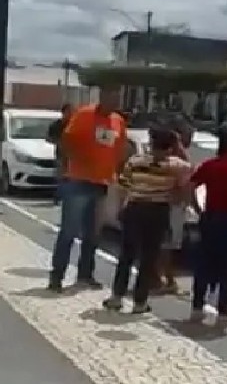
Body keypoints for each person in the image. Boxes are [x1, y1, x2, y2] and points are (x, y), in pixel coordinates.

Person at [103, 129, 190, 313]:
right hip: (157, 212)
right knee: (148, 258)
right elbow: (182, 192)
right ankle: (140, 302)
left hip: (135, 208)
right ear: (170, 148)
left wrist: (121, 208)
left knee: (127, 255)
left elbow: (123, 186)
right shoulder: (177, 167)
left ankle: (116, 297)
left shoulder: (135, 161)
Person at [47, 92, 126, 293]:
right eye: (111, 96)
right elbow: (66, 140)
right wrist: (77, 159)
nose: (114, 102)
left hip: (102, 183)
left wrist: (116, 172)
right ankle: (57, 276)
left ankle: (85, 274)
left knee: (93, 233)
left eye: (117, 99)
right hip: (79, 181)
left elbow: (119, 149)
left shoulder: (118, 121)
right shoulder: (84, 115)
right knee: (69, 231)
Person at [189, 131, 227, 323]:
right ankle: (223, 310)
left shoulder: (210, 165)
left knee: (204, 264)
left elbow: (190, 186)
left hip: (210, 218)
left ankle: (197, 306)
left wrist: (197, 208)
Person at [156, 118, 194, 294]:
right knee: (166, 245)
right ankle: (167, 280)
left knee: (164, 245)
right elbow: (186, 185)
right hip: (172, 207)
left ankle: (160, 278)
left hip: (171, 206)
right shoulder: (177, 160)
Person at [47, 104, 73, 205]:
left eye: (71, 112)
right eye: (68, 111)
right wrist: (58, 141)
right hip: (61, 154)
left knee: (70, 177)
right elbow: (48, 138)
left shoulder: (73, 124)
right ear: (63, 113)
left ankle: (67, 197)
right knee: (61, 177)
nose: (70, 114)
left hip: (72, 154)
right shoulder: (57, 125)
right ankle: (58, 197)